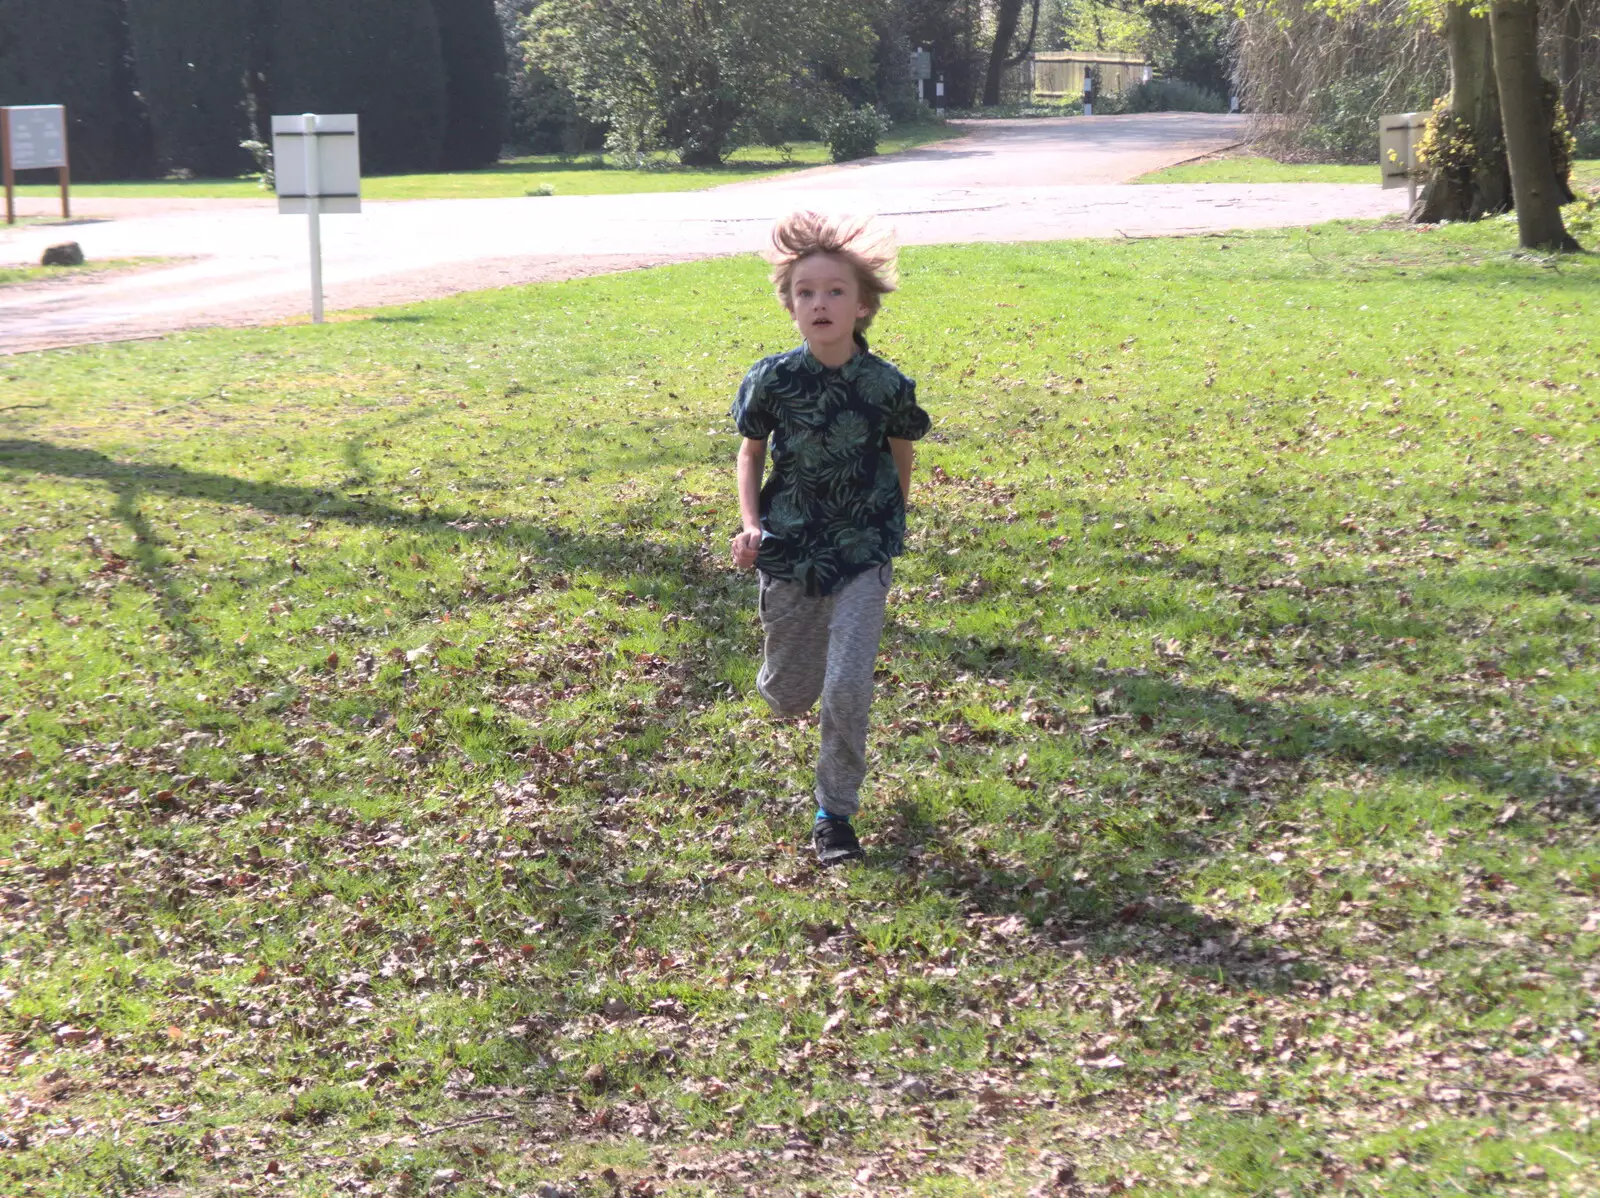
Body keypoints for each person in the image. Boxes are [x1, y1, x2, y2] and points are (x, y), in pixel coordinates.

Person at [728, 211, 932, 866]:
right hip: (790, 546)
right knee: (789, 694)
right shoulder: (772, 380)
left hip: (863, 549)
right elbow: (750, 454)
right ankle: (782, 678)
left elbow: (901, 451)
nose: (821, 303)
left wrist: (892, 519)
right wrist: (752, 522)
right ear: (790, 304)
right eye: (807, 292)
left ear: (863, 304)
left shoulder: (886, 385)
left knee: (847, 686)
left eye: (835, 291)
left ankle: (834, 815)